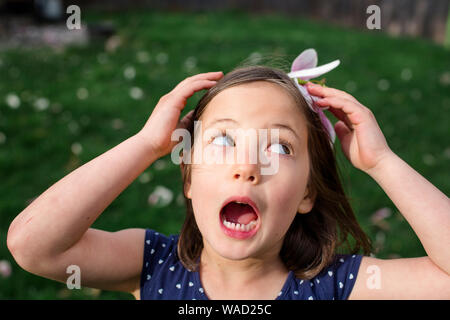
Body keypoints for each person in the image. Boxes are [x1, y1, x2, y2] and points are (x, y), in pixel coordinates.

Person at [7, 60, 450, 299]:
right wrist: (145, 144)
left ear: (307, 194)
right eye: (223, 141)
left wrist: (381, 161)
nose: (248, 165)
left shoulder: (333, 285)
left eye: (279, 147)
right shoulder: (154, 267)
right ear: (189, 180)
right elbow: (33, 246)